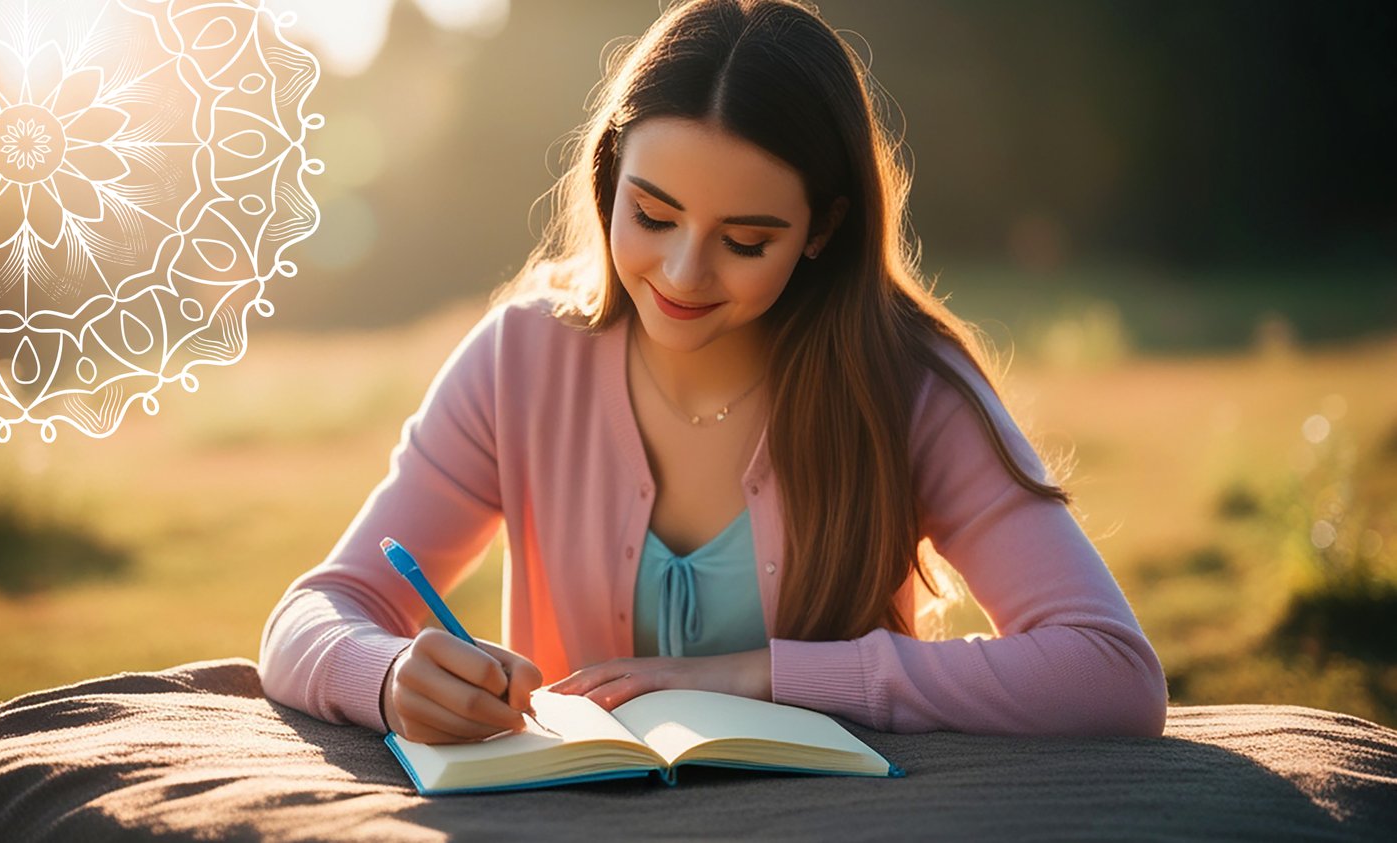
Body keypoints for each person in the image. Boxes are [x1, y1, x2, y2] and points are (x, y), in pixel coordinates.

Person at [258, 0, 1168, 745]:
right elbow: (316, 611)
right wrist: (387, 674)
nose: (684, 274)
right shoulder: (521, 358)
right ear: (609, 176)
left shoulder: (906, 383)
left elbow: (1110, 670)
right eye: (653, 217)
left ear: (822, 229)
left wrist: (763, 675)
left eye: (745, 240)